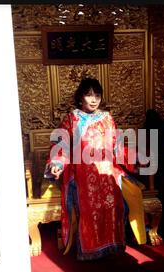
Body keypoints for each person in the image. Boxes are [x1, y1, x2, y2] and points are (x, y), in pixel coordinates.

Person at [44, 78, 147, 260]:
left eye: (97, 95)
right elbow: (62, 145)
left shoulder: (107, 118)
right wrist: (58, 163)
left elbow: (116, 146)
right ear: (80, 97)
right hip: (84, 173)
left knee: (113, 206)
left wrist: (135, 157)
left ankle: (113, 246)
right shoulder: (72, 119)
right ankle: (89, 251)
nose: (93, 100)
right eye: (89, 95)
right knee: (88, 208)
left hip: (107, 173)